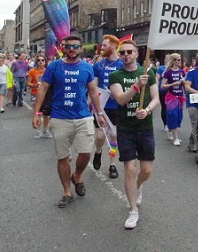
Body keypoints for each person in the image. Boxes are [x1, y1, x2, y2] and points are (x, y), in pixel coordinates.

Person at [32, 35, 106, 208]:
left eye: (75, 46)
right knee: (63, 157)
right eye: (68, 46)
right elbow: (42, 88)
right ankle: (67, 191)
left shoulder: (87, 68)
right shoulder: (54, 66)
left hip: (83, 116)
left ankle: (77, 176)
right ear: (63, 48)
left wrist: (99, 113)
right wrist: (36, 112)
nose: (72, 49)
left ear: (80, 49)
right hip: (59, 118)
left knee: (86, 152)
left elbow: (93, 92)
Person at [109, 39, 159, 229]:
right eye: (122, 53)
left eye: (130, 52)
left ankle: (138, 185)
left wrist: (146, 110)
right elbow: (121, 99)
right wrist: (137, 86)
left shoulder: (149, 72)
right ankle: (133, 211)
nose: (126, 55)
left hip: (145, 127)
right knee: (129, 168)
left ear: (137, 54)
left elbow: (155, 99)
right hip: (126, 129)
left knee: (146, 170)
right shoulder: (115, 75)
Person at [92, 35, 123, 179]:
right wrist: (89, 103)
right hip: (101, 106)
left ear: (113, 46)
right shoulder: (98, 65)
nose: (101, 48)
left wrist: (118, 93)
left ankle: (112, 164)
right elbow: (93, 87)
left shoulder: (123, 64)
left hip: (117, 106)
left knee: (114, 137)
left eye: (104, 45)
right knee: (99, 136)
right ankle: (98, 151)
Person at [161, 53, 186, 146]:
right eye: (178, 60)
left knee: (179, 117)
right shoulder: (168, 72)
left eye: (180, 60)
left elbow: (184, 85)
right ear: (174, 61)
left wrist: (183, 82)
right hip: (171, 96)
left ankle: (170, 129)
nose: (180, 61)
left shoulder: (182, 71)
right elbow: (162, 86)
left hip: (180, 96)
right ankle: (176, 138)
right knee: (173, 115)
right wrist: (173, 84)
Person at [27, 53, 53, 139]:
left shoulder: (48, 71)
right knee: (38, 112)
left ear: (45, 62)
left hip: (46, 94)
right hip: (35, 93)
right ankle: (37, 130)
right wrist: (34, 85)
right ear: (36, 62)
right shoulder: (32, 71)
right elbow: (28, 83)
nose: (40, 62)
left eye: (42, 60)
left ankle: (46, 130)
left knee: (46, 114)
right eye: (39, 60)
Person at [156, 54, 170, 134]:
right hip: (162, 90)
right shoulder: (161, 68)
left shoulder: (173, 68)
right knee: (164, 107)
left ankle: (171, 124)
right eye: (166, 58)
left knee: (172, 108)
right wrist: (156, 90)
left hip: (171, 90)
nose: (167, 60)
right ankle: (165, 124)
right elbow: (157, 79)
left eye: (169, 59)